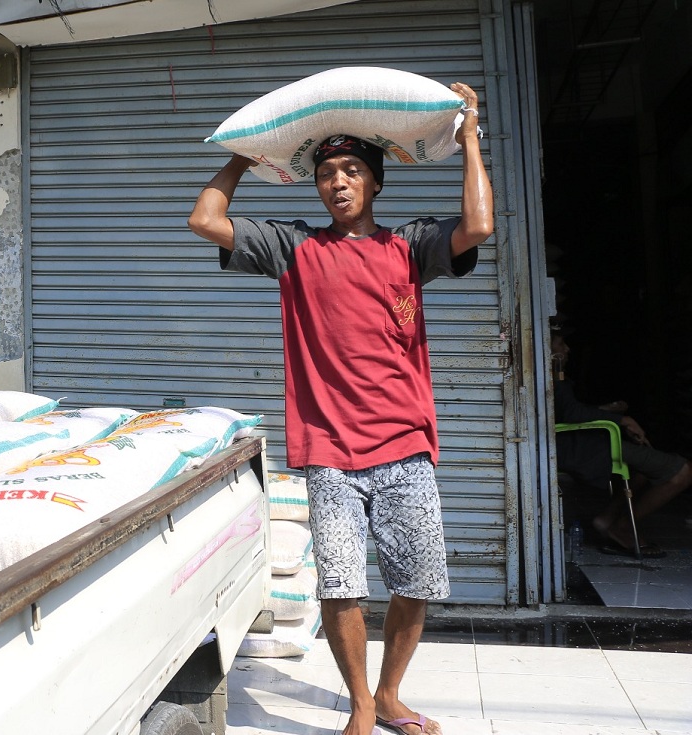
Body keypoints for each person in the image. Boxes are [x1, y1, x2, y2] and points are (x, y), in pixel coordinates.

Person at [188, 82, 492, 735]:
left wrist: (469, 138)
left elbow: (479, 225)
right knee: (341, 584)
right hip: (329, 450)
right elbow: (204, 221)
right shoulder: (295, 247)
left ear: (375, 183)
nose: (338, 182)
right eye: (325, 173)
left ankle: (389, 692)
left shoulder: (409, 246)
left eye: (352, 170)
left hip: (406, 444)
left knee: (417, 580)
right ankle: (359, 701)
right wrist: (246, 156)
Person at [552, 327, 691, 558]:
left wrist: (607, 411)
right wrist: (622, 420)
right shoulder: (553, 374)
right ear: (549, 350)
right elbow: (570, 413)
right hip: (581, 447)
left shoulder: (552, 376)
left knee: (643, 467)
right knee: (684, 471)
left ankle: (606, 520)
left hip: (582, 442)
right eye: (561, 344)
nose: (567, 349)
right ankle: (623, 527)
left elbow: (566, 411)